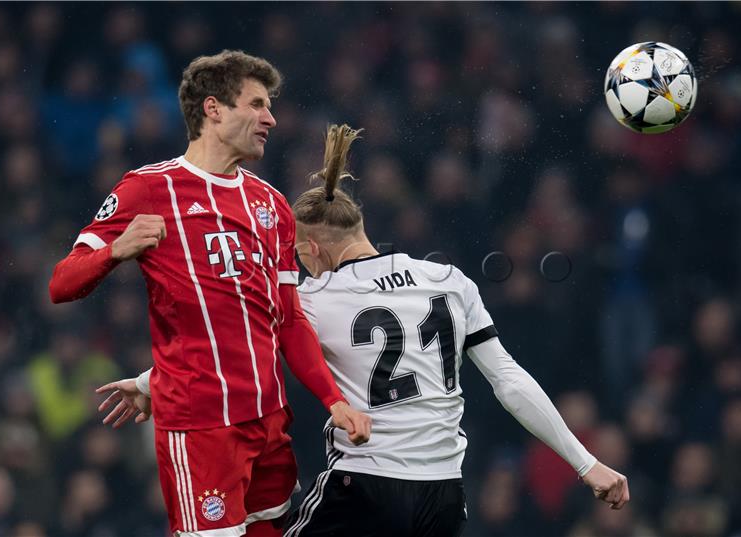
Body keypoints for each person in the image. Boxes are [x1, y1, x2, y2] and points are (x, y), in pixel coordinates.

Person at [103, 125, 630, 537]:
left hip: (367, 487)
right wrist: (587, 464)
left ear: (312, 250)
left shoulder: (312, 298)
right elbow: (509, 381)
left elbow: (233, 352)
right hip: (444, 495)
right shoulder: (449, 280)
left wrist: (151, 384)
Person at [49, 51, 371, 537]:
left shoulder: (271, 204)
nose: (271, 118)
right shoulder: (148, 189)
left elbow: (287, 320)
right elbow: (61, 283)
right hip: (201, 429)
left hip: (269, 423)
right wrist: (116, 250)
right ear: (214, 109)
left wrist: (331, 399)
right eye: (258, 105)